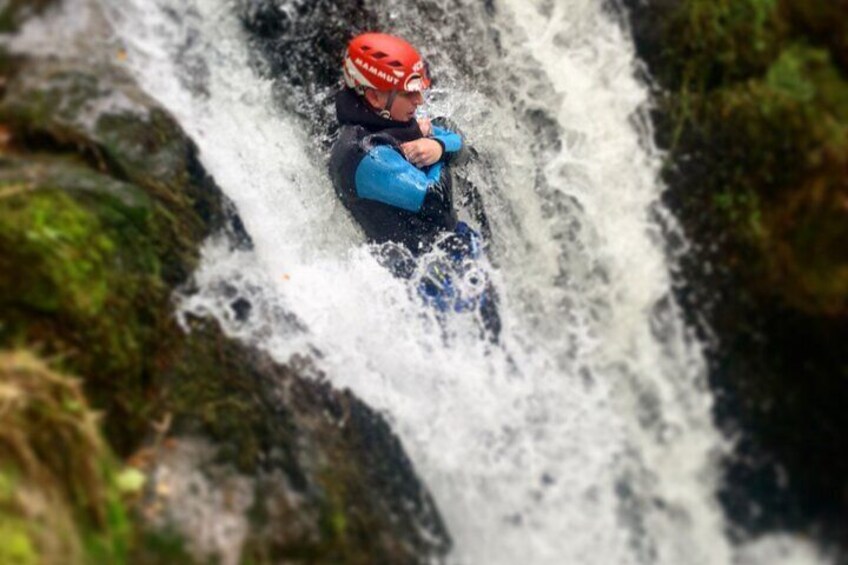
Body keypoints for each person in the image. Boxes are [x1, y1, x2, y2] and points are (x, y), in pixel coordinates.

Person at [328, 32, 466, 255]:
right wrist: (439, 153)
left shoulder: (394, 121)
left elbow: (459, 143)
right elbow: (436, 201)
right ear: (374, 97)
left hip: (447, 249)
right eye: (407, 94)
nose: (419, 101)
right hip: (418, 274)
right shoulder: (363, 153)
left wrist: (438, 146)